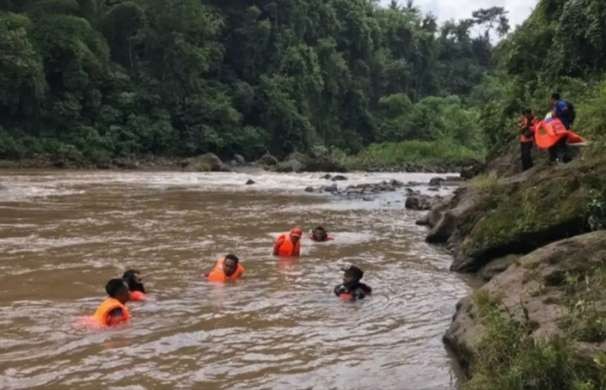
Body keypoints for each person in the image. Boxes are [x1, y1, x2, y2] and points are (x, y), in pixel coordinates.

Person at [548, 93, 575, 163]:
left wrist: (555, 114)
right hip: (564, 125)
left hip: (562, 126)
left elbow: (564, 112)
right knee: (562, 142)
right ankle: (565, 158)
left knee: (560, 142)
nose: (550, 100)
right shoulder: (560, 104)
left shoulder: (560, 104)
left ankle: (565, 159)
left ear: (553, 98)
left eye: (550, 99)